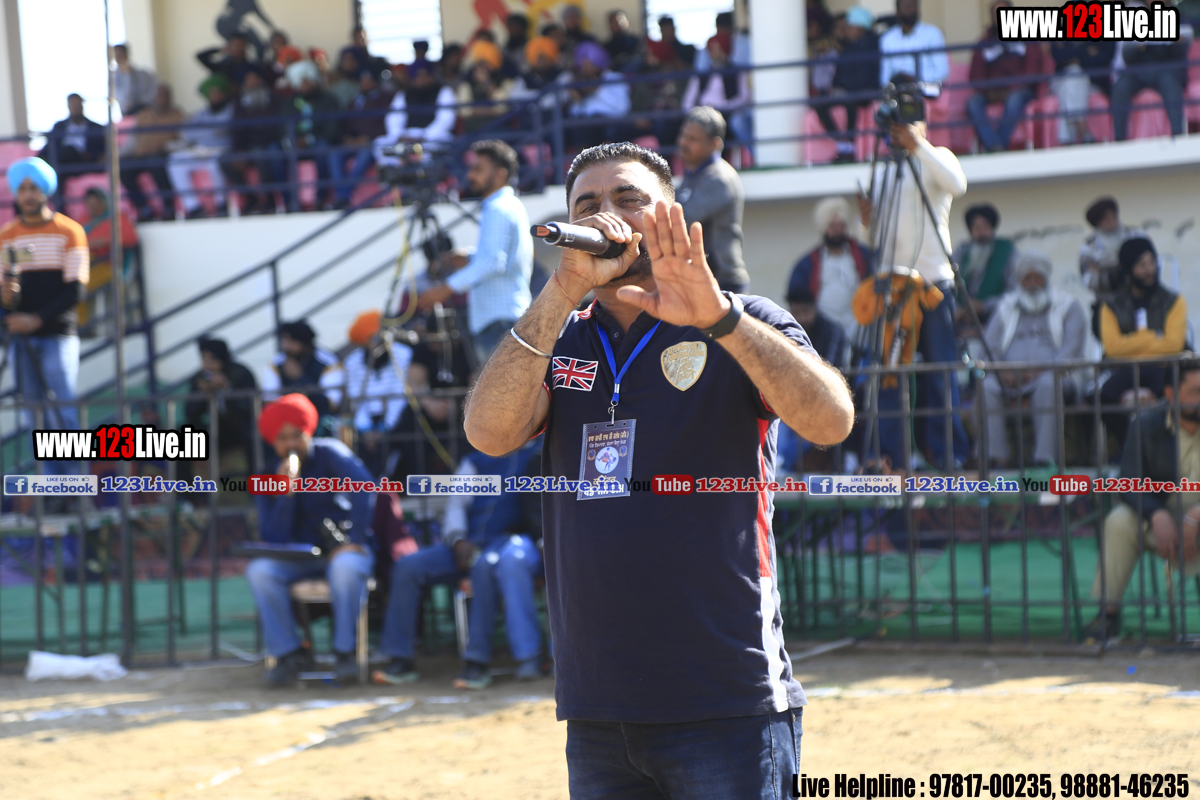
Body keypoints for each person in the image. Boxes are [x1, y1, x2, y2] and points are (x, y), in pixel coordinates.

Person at [462, 141, 854, 797]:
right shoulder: (560, 335)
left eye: (628, 199)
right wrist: (560, 290)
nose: (606, 215)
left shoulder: (745, 319)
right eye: (587, 205)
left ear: (671, 216)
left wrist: (720, 318)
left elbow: (831, 421)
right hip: (597, 707)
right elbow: (488, 433)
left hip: (726, 699)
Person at [373, 443, 544, 689]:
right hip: (465, 542)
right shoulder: (477, 459)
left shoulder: (537, 453)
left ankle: (477, 662)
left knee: (484, 566)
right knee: (408, 567)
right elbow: (456, 504)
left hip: (505, 542)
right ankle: (400, 660)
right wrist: (458, 539)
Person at [858, 99, 970, 469]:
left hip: (934, 285)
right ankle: (891, 457)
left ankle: (948, 455)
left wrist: (918, 144)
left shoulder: (936, 157)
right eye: (895, 129)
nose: (898, 134)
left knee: (940, 372)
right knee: (890, 377)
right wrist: (865, 221)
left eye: (905, 126)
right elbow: (875, 240)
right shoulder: (886, 172)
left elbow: (957, 184)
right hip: (892, 289)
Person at [247, 393, 377, 687]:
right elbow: (273, 536)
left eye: (297, 435)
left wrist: (355, 539)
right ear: (273, 442)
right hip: (300, 559)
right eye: (283, 438)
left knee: (346, 567)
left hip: (343, 550)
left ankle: (345, 653)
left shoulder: (329, 453)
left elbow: (365, 487)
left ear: (309, 433)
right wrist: (285, 494)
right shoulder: (267, 474)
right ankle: (289, 655)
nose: (291, 444)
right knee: (260, 571)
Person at [1083, 357, 1200, 642]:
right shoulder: (1147, 425)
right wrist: (1156, 515)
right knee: (1120, 521)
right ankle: (1107, 615)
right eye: (1196, 392)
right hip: (1164, 517)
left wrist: (1195, 515)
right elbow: (1129, 483)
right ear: (1171, 394)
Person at [416, 140, 532, 366]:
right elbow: (500, 257)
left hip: (498, 321)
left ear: (500, 174)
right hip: (502, 318)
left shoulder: (498, 208)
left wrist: (445, 288)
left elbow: (492, 262)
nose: (470, 175)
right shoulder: (509, 204)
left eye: (478, 169)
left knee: (500, 389)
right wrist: (469, 257)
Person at [0, 158, 87, 447]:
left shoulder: (70, 231)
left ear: (46, 190)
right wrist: (7, 297)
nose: (28, 195)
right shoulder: (6, 236)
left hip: (57, 336)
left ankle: (74, 475)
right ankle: (47, 476)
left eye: (34, 188)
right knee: (34, 418)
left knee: (64, 415)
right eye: (22, 188)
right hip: (21, 341)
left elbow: (76, 290)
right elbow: (5, 294)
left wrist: (36, 319)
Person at [980, 252, 1087, 468]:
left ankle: (1044, 459)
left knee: (1049, 385)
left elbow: (1071, 351)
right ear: (1019, 281)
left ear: (1046, 279)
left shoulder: (1068, 306)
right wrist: (1002, 372)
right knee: (987, 386)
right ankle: (998, 459)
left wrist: (1040, 371)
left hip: (1055, 375)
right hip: (1010, 378)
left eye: (1038, 278)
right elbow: (988, 350)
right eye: (1027, 279)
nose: (1032, 284)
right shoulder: (1006, 307)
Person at [1097, 237, 1188, 439]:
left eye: (1152, 262)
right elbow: (1113, 348)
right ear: (1129, 269)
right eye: (1141, 265)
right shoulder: (1111, 305)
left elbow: (1174, 345)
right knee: (1102, 398)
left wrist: (1130, 344)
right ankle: (1128, 445)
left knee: (1171, 396)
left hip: (1162, 369)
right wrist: (1151, 337)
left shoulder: (1173, 301)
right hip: (1124, 370)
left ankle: (1161, 447)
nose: (1149, 270)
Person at [675, 107, 749, 294]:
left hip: (723, 285)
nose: (683, 142)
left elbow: (679, 221)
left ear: (714, 144)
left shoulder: (719, 179)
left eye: (692, 139)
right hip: (703, 281)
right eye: (683, 135)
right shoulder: (694, 174)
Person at [787, 196, 872, 342]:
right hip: (824, 335)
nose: (837, 231)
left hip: (860, 330)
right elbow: (796, 298)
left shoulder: (862, 255)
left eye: (841, 225)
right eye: (832, 226)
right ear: (824, 228)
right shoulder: (808, 263)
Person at [966, 1, 1047, 153]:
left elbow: (1033, 69)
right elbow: (975, 75)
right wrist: (989, 90)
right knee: (972, 103)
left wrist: (1011, 88)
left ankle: (997, 147)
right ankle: (996, 146)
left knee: (1014, 99)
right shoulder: (984, 43)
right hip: (992, 91)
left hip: (1020, 90)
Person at [342, 310, 412, 477]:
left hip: (395, 418)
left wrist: (384, 429)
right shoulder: (352, 362)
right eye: (372, 338)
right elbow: (356, 400)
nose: (378, 341)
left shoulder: (403, 354)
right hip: (366, 422)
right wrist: (366, 430)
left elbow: (400, 395)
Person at [814, 6, 880, 163]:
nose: (847, 29)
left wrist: (844, 89)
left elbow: (865, 77)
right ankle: (842, 144)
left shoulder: (871, 45)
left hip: (865, 92)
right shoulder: (849, 46)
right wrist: (838, 88)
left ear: (860, 28)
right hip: (848, 91)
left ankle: (851, 144)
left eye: (850, 26)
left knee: (850, 101)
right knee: (819, 104)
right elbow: (840, 75)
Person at [184, 336, 258, 477]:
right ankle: (187, 487)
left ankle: (254, 484)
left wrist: (226, 388)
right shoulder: (200, 377)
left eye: (212, 360)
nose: (207, 366)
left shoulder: (240, 373)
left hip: (240, 429)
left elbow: (248, 410)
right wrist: (202, 395)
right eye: (204, 360)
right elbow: (190, 413)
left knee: (250, 436)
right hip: (216, 429)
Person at [167, 74, 236, 219]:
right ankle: (193, 207)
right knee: (175, 161)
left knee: (216, 164)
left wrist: (203, 132)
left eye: (217, 93)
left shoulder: (232, 110)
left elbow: (223, 131)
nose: (214, 97)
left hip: (221, 149)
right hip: (201, 149)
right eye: (211, 94)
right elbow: (187, 133)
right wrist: (210, 132)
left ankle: (221, 204)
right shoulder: (201, 113)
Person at [261, 319, 346, 434]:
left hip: (319, 419)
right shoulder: (276, 363)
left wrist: (300, 377)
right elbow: (270, 401)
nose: (286, 346)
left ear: (304, 343)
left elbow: (331, 405)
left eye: (291, 342)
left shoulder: (328, 362)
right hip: (286, 419)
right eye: (284, 341)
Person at [278, 60, 342, 210]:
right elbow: (281, 127)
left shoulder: (328, 100)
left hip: (318, 142)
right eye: (302, 81)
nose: (306, 85)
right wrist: (291, 140)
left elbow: (333, 128)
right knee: (274, 153)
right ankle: (288, 201)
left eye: (308, 81)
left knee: (323, 148)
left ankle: (321, 197)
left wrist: (309, 139)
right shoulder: (289, 103)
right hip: (294, 144)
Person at [1079, 196, 1146, 335]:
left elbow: (1147, 269)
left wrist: (1103, 269)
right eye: (1106, 220)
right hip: (1107, 303)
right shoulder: (1088, 249)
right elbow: (1089, 280)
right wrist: (1116, 274)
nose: (1112, 223)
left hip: (1140, 300)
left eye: (1114, 217)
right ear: (1098, 224)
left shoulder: (1136, 236)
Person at [332, 66, 394, 208]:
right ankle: (341, 195)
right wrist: (347, 138)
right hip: (353, 142)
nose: (365, 83)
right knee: (335, 153)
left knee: (365, 154)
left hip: (371, 142)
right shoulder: (354, 101)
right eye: (362, 80)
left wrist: (368, 138)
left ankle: (343, 196)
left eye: (368, 80)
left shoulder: (384, 99)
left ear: (375, 81)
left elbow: (387, 124)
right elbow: (344, 124)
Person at [1110, 29, 1189, 141]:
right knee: (1121, 87)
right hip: (1137, 72)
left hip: (1165, 71)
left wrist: (1178, 42)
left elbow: (1180, 54)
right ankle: (1119, 139)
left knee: (1171, 84)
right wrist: (1137, 47)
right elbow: (1126, 56)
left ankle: (1178, 136)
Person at [78, 189, 137, 336]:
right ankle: (85, 328)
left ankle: (88, 328)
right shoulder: (85, 220)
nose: (93, 207)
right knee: (76, 288)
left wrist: (103, 241)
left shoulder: (117, 218)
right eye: (90, 204)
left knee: (80, 289)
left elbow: (131, 238)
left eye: (96, 203)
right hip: (89, 266)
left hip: (110, 266)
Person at [120, 83, 183, 222]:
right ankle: (143, 208)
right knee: (122, 167)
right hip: (140, 155)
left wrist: (168, 147)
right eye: (159, 95)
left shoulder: (177, 116)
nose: (162, 98)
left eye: (165, 95)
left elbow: (183, 139)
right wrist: (116, 155)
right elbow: (132, 140)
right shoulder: (143, 115)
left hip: (162, 154)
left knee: (156, 163)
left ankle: (168, 207)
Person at [681, 33, 753, 151]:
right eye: (712, 50)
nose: (715, 54)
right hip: (702, 116)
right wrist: (694, 114)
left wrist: (724, 107)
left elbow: (745, 98)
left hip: (726, 115)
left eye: (719, 49)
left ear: (726, 50)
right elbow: (688, 101)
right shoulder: (700, 75)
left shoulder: (738, 73)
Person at [375, 61, 458, 162]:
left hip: (432, 136)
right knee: (380, 143)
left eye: (425, 75)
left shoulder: (444, 91)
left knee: (436, 145)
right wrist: (399, 136)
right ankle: (396, 169)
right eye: (418, 76)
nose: (422, 79)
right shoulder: (404, 94)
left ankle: (424, 170)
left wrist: (424, 137)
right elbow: (393, 118)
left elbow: (446, 120)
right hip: (407, 136)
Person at [951, 203, 1017, 327]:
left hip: (997, 318)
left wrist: (984, 306)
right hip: (962, 318)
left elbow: (1014, 293)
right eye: (976, 227)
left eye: (985, 226)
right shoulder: (962, 252)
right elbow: (949, 286)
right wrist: (960, 310)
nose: (981, 232)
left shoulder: (1007, 252)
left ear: (992, 227)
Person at [1049, 39, 1115, 145]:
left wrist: (1074, 57)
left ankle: (1066, 138)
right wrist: (1085, 52)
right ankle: (1082, 128)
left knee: (1072, 82)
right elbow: (1058, 55)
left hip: (1091, 83)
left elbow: (1105, 56)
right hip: (1061, 80)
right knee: (1074, 75)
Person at [566, 42, 631, 149]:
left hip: (609, 122)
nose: (585, 68)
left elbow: (622, 109)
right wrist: (577, 99)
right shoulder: (582, 82)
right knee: (575, 125)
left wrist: (598, 89)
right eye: (582, 65)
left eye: (588, 64)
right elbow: (576, 112)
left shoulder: (614, 78)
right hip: (587, 124)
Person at [879, 0, 949, 88]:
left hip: (926, 88)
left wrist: (915, 80)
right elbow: (885, 76)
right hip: (898, 90)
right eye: (906, 6)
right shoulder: (887, 39)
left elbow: (942, 72)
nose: (911, 9)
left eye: (914, 5)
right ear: (897, 11)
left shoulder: (933, 33)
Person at [38, 94, 105, 170]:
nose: (76, 108)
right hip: (61, 160)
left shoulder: (96, 127)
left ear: (82, 105)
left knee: (68, 151)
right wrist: (39, 160)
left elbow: (103, 150)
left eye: (78, 104)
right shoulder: (59, 126)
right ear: (69, 106)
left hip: (85, 162)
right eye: (73, 104)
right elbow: (50, 145)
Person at [113, 43, 157, 116]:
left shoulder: (144, 75)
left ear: (126, 54)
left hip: (146, 113)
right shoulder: (114, 78)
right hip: (127, 115)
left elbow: (154, 92)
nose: (119, 57)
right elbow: (126, 99)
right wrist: (126, 74)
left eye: (120, 54)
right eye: (116, 55)